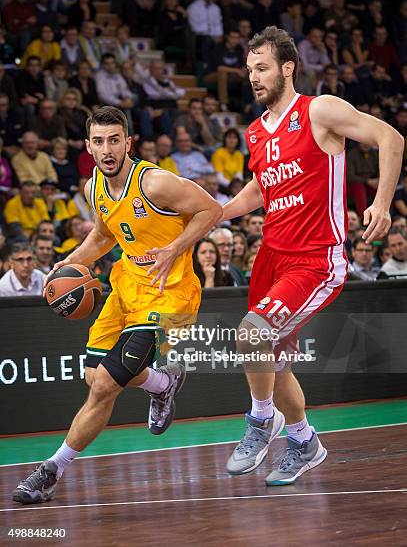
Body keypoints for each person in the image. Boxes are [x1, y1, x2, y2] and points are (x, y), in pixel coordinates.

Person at [221, 25, 403, 485]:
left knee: (251, 334)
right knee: (272, 360)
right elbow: (259, 190)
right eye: (248, 70)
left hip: (315, 259)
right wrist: (216, 213)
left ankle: (263, 420)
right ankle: (304, 443)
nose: (254, 78)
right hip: (271, 257)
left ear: (287, 68)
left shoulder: (319, 109)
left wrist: (380, 202)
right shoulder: (256, 132)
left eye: (261, 68)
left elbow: (391, 138)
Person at [13, 105, 221, 504]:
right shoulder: (93, 187)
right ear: (87, 145)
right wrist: (73, 259)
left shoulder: (156, 183)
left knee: (107, 383)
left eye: (114, 140)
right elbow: (106, 235)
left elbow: (211, 209)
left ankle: (51, 470)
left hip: (169, 291)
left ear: (128, 143)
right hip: (125, 287)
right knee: (94, 375)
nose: (107, 149)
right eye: (98, 141)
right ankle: (163, 383)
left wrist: (175, 247)